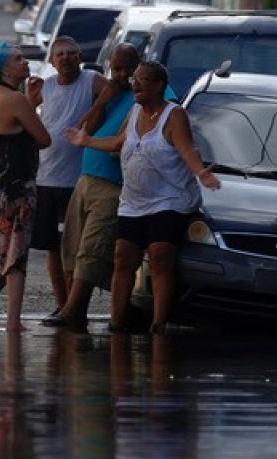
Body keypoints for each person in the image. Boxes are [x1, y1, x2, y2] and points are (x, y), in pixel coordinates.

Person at [66, 61, 220, 333]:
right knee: (123, 256)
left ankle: (158, 323)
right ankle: (117, 322)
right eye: (134, 79)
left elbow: (187, 148)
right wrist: (86, 141)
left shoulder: (174, 115)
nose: (134, 84)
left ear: (159, 85)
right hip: (134, 201)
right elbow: (119, 142)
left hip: (169, 200)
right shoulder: (135, 111)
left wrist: (200, 172)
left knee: (160, 255)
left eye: (142, 79)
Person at [42, 43, 144, 330]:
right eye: (116, 69)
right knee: (71, 247)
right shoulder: (113, 93)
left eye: (128, 69)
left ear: (139, 67)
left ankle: (73, 311)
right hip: (86, 177)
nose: (122, 75)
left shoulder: (144, 95)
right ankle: (71, 307)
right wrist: (102, 101)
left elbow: (121, 143)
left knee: (92, 248)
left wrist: (88, 141)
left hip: (113, 183)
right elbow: (84, 127)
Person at [28, 36, 113, 319]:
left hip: (77, 182)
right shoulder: (46, 86)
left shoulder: (92, 80)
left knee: (75, 247)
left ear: (80, 57)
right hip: (46, 178)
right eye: (59, 54)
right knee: (52, 248)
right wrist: (29, 97)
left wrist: (93, 115)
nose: (65, 58)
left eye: (70, 53)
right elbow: (26, 115)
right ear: (52, 61)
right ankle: (61, 304)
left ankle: (75, 308)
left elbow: (114, 90)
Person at [0, 42, 51, 332]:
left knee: (1, 251)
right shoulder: (15, 99)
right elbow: (43, 139)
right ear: (4, 69)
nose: (25, 62)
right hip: (15, 187)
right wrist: (33, 104)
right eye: (18, 59)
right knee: (15, 255)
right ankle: (12, 320)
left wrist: (29, 102)